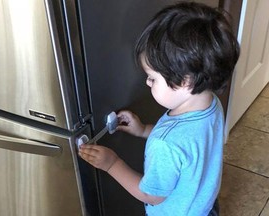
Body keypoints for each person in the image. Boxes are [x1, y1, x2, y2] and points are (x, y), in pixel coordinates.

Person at [78, 2, 240, 216]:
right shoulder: (211, 103)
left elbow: (151, 196)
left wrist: (112, 164)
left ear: (185, 82)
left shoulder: (164, 144)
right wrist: (144, 129)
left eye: (152, 78)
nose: (147, 82)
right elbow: (188, 147)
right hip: (203, 206)